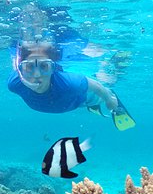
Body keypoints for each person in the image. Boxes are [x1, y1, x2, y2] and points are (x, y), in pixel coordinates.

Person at [7, 39, 136, 131]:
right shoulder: (14, 83)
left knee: (105, 81)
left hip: (80, 99)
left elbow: (96, 86)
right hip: (69, 102)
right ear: (21, 69)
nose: (36, 74)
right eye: (28, 67)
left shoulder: (70, 83)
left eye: (44, 66)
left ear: (53, 68)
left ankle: (106, 77)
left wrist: (109, 99)